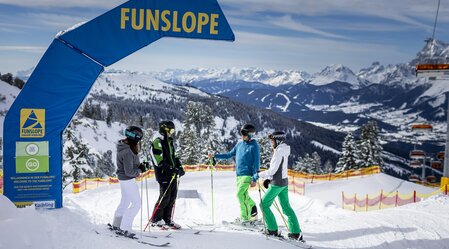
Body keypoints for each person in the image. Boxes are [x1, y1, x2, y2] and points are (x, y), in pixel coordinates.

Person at [209, 123, 260, 224]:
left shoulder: (254, 146)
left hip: (247, 175)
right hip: (239, 175)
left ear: (250, 134)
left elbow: (256, 163)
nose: (242, 136)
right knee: (243, 195)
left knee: (240, 194)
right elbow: (228, 154)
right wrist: (215, 156)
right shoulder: (239, 145)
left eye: (244, 134)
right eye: (242, 133)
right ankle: (252, 208)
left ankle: (245, 218)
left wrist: (254, 178)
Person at [258, 131, 303, 240]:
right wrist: (269, 179)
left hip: (277, 184)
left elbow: (272, 170)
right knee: (286, 208)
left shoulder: (278, 152)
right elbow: (279, 169)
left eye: (272, 140)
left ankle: (272, 229)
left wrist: (258, 175)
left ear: (278, 140)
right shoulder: (283, 150)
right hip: (284, 183)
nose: (271, 143)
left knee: (263, 205)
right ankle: (296, 232)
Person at [111, 125, 149, 238]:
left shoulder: (125, 147)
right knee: (137, 204)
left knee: (125, 201)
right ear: (135, 138)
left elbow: (129, 166)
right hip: (127, 180)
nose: (139, 141)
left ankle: (117, 224)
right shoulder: (127, 151)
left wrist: (140, 166)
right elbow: (129, 172)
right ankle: (124, 227)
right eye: (139, 139)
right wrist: (140, 170)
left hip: (124, 179)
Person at [150, 120, 185, 229]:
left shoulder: (169, 142)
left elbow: (173, 157)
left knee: (172, 197)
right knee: (164, 197)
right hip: (163, 174)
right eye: (171, 130)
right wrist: (171, 169)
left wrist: (179, 167)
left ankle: (167, 219)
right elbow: (158, 161)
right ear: (164, 130)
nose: (172, 132)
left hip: (172, 175)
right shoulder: (157, 142)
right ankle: (155, 220)